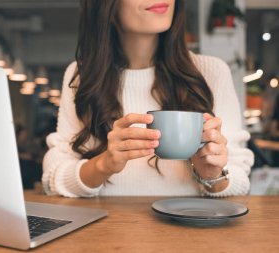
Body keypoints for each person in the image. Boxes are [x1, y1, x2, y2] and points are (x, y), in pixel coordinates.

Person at [42, 0, 254, 197]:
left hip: (192, 233)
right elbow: (53, 177)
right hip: (107, 233)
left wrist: (212, 174)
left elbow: (240, 181)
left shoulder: (211, 72)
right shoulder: (82, 75)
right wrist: (104, 164)